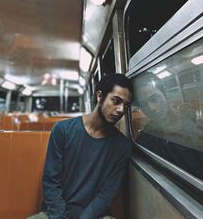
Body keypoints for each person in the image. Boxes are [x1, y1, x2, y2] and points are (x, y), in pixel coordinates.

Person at [27, 73, 133, 219]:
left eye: (125, 106)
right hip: (56, 214)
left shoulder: (122, 145)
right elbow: (51, 182)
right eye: (116, 101)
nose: (121, 110)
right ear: (100, 96)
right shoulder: (63, 130)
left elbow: (106, 194)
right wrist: (60, 216)